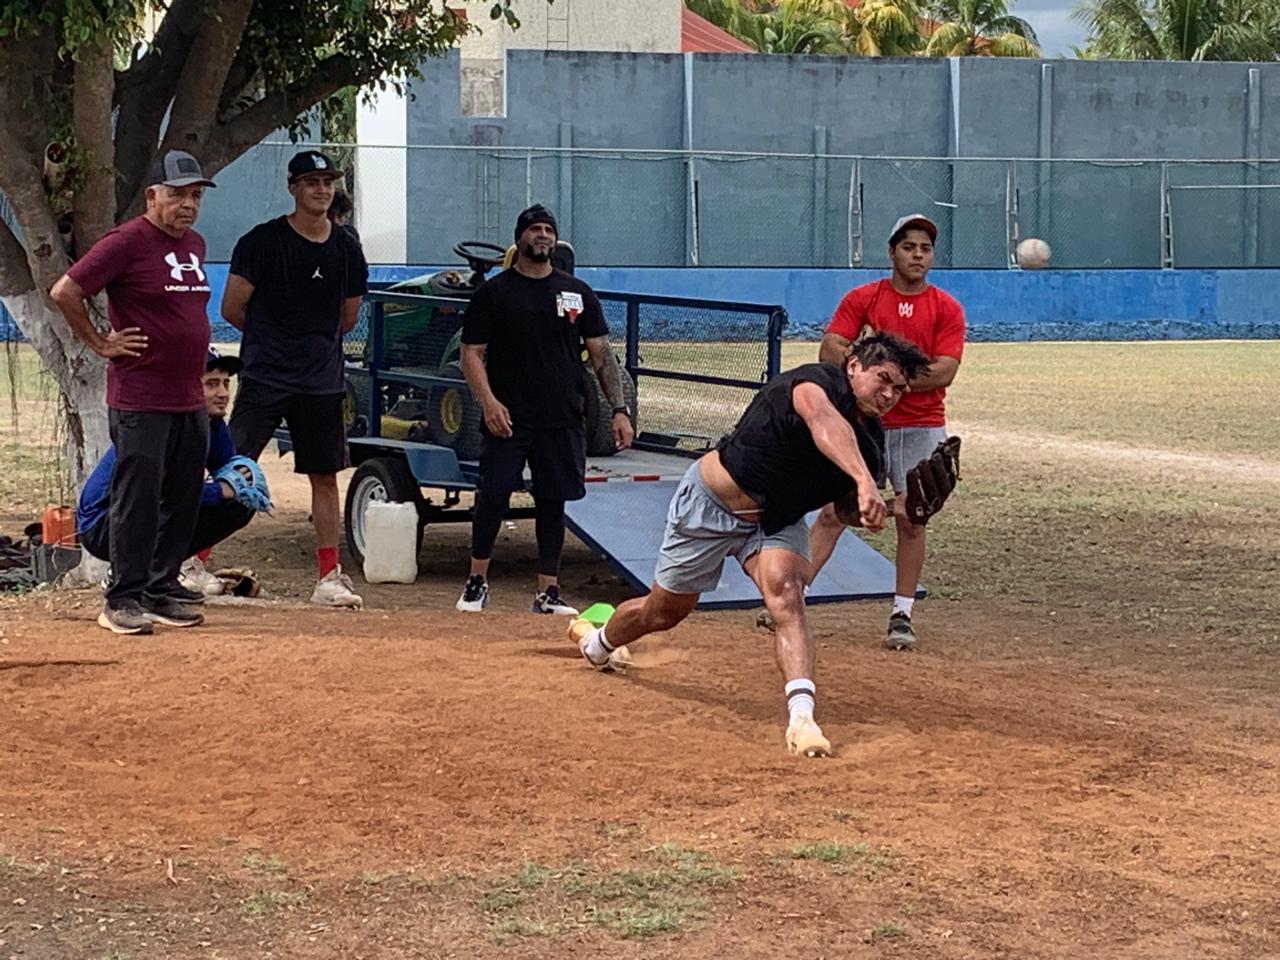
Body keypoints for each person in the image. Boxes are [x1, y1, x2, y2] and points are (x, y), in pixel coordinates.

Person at [574, 333, 929, 758]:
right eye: (882, 379)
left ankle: (802, 720)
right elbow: (821, 421)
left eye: (898, 389)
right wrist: (864, 482)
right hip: (710, 504)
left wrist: (890, 509)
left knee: (787, 593)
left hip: (774, 522)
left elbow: (851, 512)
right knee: (662, 612)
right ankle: (598, 644)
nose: (889, 394)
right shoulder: (815, 383)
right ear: (853, 366)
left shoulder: (870, 449)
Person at [51, 149, 216, 635]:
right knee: (138, 497)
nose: (187, 205)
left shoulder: (195, 245)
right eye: (177, 194)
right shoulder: (127, 241)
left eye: (194, 196)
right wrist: (100, 342)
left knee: (182, 495)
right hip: (141, 396)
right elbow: (66, 291)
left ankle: (161, 588)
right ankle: (122, 597)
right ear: (152, 195)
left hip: (188, 395)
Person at [456, 204, 635, 614]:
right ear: (519, 239)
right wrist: (489, 404)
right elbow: (471, 354)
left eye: (548, 230)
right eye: (534, 229)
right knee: (494, 496)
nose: (542, 236)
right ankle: (476, 583)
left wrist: (619, 410)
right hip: (508, 418)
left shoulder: (576, 293)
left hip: (562, 418)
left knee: (553, 501)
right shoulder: (494, 294)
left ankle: (547, 593)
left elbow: (602, 356)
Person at [221, 150, 369, 609]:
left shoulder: (346, 247)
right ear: (293, 188)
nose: (321, 190)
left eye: (327, 182)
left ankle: (329, 577)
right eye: (311, 182)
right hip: (265, 375)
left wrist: (309, 345)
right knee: (233, 464)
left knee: (324, 476)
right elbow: (231, 309)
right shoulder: (262, 242)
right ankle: (192, 561)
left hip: (320, 378)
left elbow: (347, 318)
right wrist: (271, 340)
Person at [810, 213, 965, 651]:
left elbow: (945, 371)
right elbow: (830, 347)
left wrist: (883, 378)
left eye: (925, 248)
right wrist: (877, 381)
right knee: (832, 513)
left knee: (913, 520)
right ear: (892, 252)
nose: (918, 255)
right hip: (864, 422)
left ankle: (902, 613)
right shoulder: (864, 297)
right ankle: (794, 592)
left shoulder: (946, 308)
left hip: (921, 424)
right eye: (909, 246)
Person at [78, 352, 255, 598]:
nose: (223, 393)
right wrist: (220, 490)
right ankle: (130, 573)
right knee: (170, 500)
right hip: (102, 524)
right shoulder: (163, 424)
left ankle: (159, 575)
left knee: (240, 504)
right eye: (211, 384)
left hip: (136, 513)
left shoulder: (212, 424)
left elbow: (229, 471)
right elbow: (161, 488)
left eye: (226, 383)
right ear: (187, 388)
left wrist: (242, 480)